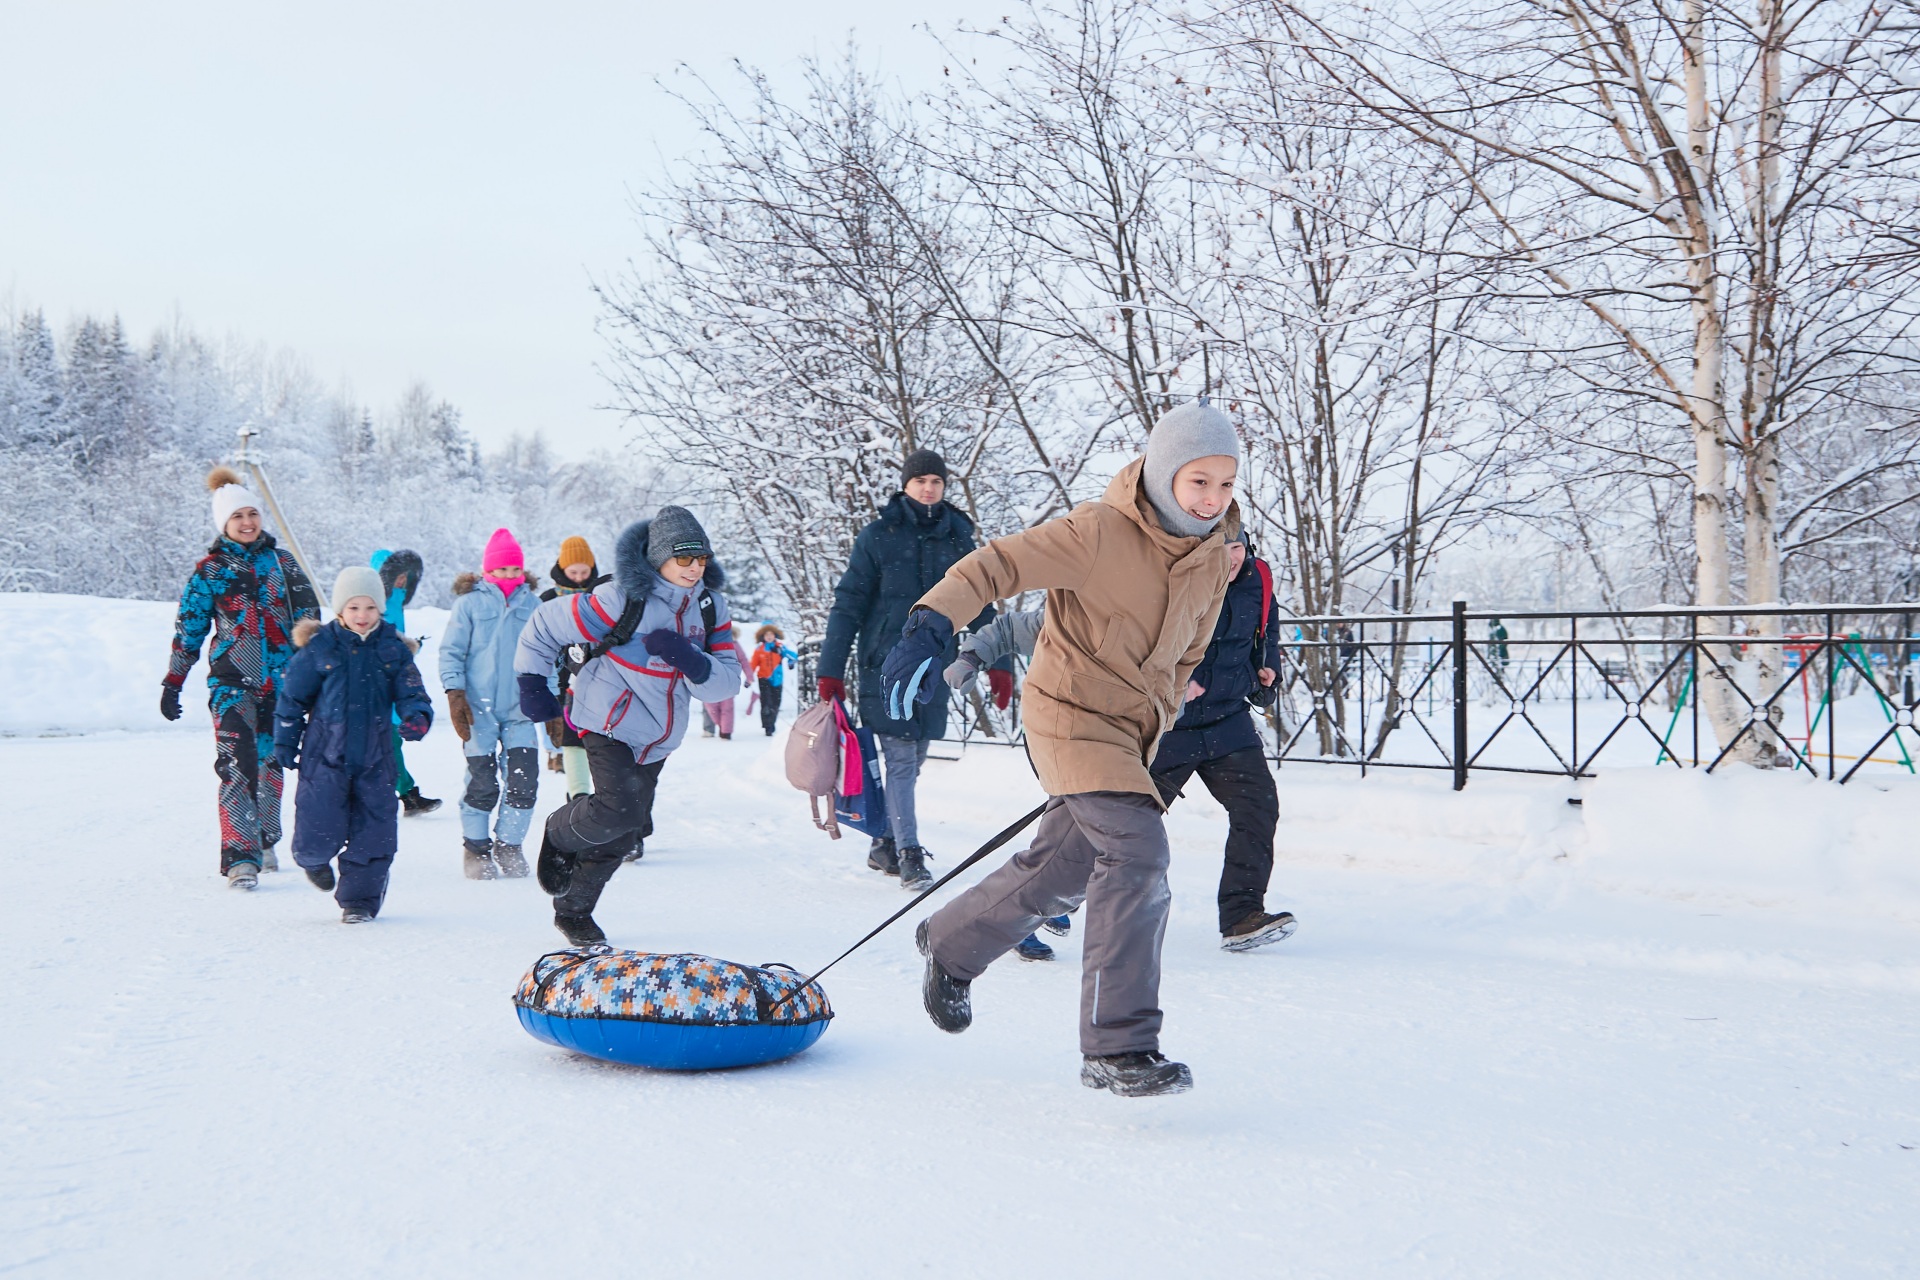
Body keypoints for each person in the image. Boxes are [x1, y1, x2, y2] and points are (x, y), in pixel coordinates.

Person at [886, 399, 1241, 1098]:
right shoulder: (1099, 530)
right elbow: (998, 566)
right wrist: (932, 621)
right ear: (1166, 472)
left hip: (1130, 732)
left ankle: (951, 944)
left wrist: (1163, 713)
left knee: (1063, 866)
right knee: (1137, 850)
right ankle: (1120, 1044)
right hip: (1069, 716)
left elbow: (1185, 654)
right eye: (1199, 481)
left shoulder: (1212, 558)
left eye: (1226, 484)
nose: (1212, 498)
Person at [516, 506, 742, 947]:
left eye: (701, 559)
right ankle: (558, 831)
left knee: (627, 830)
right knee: (616, 810)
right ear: (659, 559)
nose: (695, 568)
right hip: (607, 719)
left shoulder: (711, 608)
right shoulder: (622, 599)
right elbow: (545, 624)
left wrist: (692, 659)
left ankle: (574, 910)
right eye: (684, 559)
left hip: (659, 735)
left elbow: (727, 682)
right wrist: (531, 682)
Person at [818, 449, 1007, 890]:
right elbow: (848, 605)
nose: (928, 488)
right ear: (905, 484)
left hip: (935, 666)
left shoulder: (958, 538)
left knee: (916, 757)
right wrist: (830, 669)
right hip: (885, 665)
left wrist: (998, 661)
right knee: (902, 759)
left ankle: (884, 841)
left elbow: (979, 602)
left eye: (936, 482)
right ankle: (909, 853)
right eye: (920, 480)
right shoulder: (878, 537)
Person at [161, 466, 320, 890]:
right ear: (224, 524)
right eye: (238, 517)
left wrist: (315, 674)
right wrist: (173, 681)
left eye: (252, 514)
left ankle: (266, 839)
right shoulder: (210, 572)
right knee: (236, 766)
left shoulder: (284, 564)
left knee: (271, 765)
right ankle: (239, 857)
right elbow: (189, 629)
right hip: (232, 684)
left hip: (283, 686)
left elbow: (311, 622)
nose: (247, 522)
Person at [1147, 531, 1296, 951]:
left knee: (1258, 806)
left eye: (1238, 547)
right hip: (1169, 728)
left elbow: (1267, 640)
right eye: (1221, 548)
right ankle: (1043, 904)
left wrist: (1265, 676)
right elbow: (1143, 645)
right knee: (1121, 822)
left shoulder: (1256, 581)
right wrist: (1174, 681)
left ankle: (1242, 916)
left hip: (1228, 721)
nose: (1231, 558)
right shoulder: (1175, 580)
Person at [273, 567, 433, 923]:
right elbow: (293, 699)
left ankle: (359, 901)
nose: (362, 616)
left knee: (375, 833)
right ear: (340, 610)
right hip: (324, 757)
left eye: (371, 608)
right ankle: (314, 862)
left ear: (381, 610)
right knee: (317, 827)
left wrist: (417, 715)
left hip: (376, 759)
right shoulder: (320, 647)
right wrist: (285, 738)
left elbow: (413, 691)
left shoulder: (392, 649)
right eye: (354, 608)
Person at [441, 528, 542, 881]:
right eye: (501, 570)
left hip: (521, 710)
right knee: (482, 782)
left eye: (514, 570)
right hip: (478, 709)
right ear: (488, 571)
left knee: (523, 782)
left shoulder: (534, 605)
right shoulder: (469, 604)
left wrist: (553, 701)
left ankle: (510, 845)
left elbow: (549, 656)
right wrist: (455, 693)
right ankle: (476, 848)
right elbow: (451, 651)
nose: (509, 576)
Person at [370, 548, 441, 816]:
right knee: (388, 744)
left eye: (406, 577)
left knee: (390, 745)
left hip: (392, 686)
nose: (402, 581)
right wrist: (409, 648)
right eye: (398, 576)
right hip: (379, 687)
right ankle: (405, 795)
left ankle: (406, 794)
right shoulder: (380, 603)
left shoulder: (395, 601)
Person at [538, 536, 608, 801]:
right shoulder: (547, 599)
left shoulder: (603, 596)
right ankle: (577, 793)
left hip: (600, 675)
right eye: (573, 572)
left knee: (601, 738)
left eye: (584, 572)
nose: (579, 578)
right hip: (562, 676)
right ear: (562, 569)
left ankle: (605, 794)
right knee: (571, 736)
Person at [748, 624, 797, 736]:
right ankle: (767, 726)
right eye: (767, 634)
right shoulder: (759, 649)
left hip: (778, 679)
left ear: (775, 635)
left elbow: (793, 656)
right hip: (764, 679)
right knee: (766, 703)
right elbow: (753, 664)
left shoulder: (780, 647)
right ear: (762, 636)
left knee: (776, 703)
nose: (769, 636)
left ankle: (772, 723)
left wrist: (791, 663)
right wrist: (749, 678)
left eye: (771, 634)